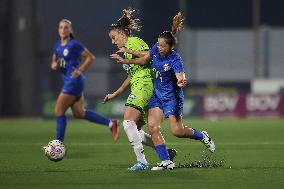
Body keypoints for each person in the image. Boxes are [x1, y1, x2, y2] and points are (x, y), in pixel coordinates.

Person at [111, 12, 215, 171]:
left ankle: (202, 136)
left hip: (171, 97)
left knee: (177, 131)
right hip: (156, 96)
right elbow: (145, 57)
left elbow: (180, 75)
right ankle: (167, 161)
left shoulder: (175, 59)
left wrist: (181, 80)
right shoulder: (157, 49)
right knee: (153, 127)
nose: (157, 47)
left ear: (170, 47)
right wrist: (126, 58)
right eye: (157, 45)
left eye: (161, 46)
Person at [104, 8, 176, 171]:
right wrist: (115, 93)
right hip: (140, 85)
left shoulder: (133, 42)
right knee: (136, 130)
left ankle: (142, 161)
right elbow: (131, 75)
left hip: (145, 85)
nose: (113, 42)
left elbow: (146, 57)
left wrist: (126, 56)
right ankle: (166, 152)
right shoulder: (127, 49)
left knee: (128, 123)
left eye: (113, 38)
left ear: (122, 33)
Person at [44, 19, 119, 148]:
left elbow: (91, 57)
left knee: (58, 111)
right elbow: (54, 60)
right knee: (79, 113)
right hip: (71, 82)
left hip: (73, 82)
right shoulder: (57, 45)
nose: (63, 29)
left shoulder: (74, 45)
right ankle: (111, 123)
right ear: (58, 30)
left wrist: (80, 70)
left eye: (66, 27)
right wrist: (54, 64)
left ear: (70, 30)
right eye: (61, 27)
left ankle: (58, 146)